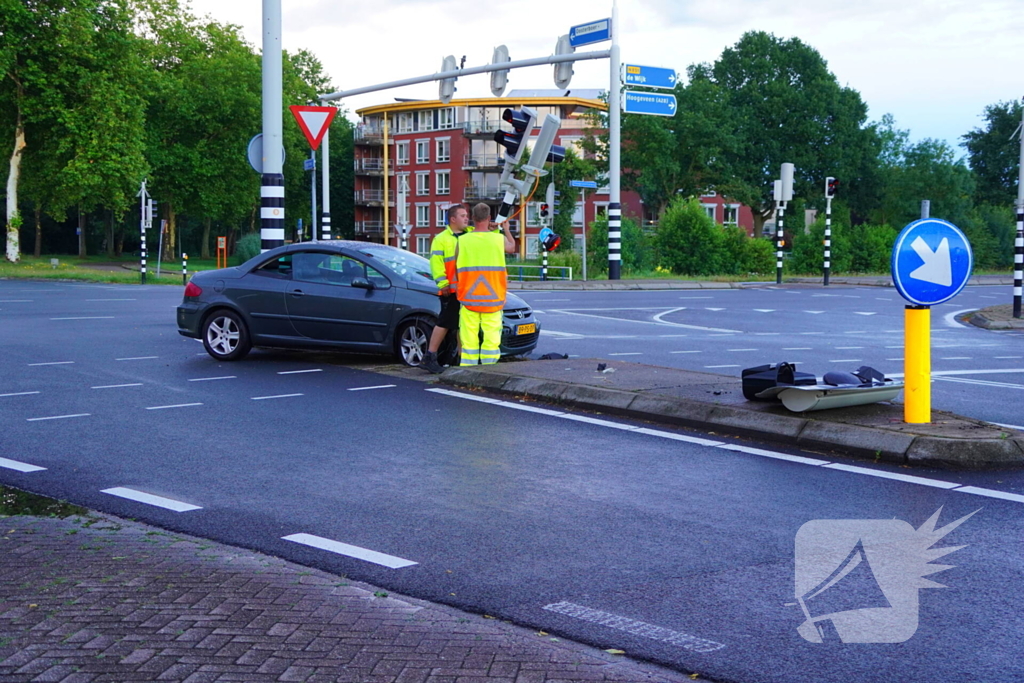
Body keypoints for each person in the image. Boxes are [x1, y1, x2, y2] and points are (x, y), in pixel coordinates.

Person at [454, 203, 515, 366]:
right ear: (489, 218)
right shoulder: (498, 239)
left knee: (469, 340)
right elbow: (512, 247)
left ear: (473, 218)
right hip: (493, 299)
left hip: (468, 298)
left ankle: (467, 370)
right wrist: (505, 229)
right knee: (491, 340)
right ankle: (489, 373)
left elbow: (455, 265)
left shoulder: (463, 240)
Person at [421, 204, 471, 374]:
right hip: (451, 290)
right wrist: (443, 284)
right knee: (445, 322)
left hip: (467, 289)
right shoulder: (442, 239)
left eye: (467, 215)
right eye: (463, 215)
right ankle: (430, 356)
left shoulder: (470, 234)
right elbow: (436, 263)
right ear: (453, 219)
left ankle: (460, 358)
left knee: (461, 325)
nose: (466, 218)